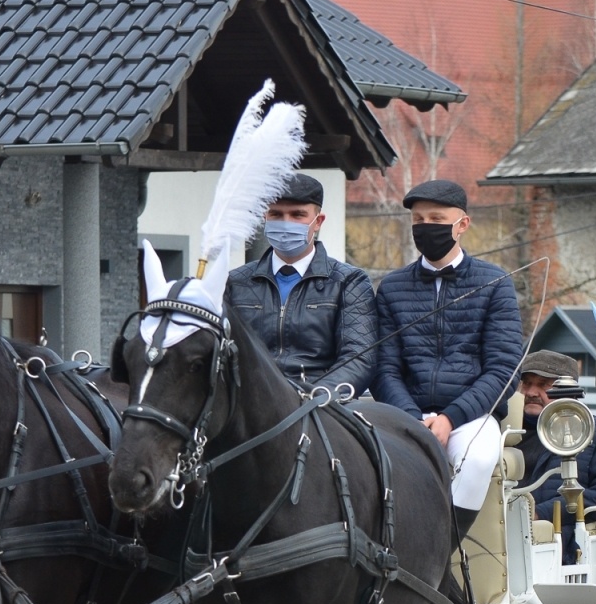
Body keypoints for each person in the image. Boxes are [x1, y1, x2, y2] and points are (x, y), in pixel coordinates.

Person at [373, 179, 524, 538]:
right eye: (418, 220)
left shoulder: (496, 282)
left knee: (478, 459)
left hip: (471, 416)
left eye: (437, 218)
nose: (426, 227)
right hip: (406, 412)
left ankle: (439, 549)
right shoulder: (392, 287)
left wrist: (449, 419)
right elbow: (384, 368)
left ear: (462, 224)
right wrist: (412, 419)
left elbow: (504, 369)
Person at [224, 173, 377, 393]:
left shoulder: (348, 282)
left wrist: (313, 397)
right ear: (264, 218)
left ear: (318, 221)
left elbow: (360, 356)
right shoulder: (236, 282)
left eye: (298, 215)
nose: (286, 223)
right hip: (250, 406)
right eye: (276, 214)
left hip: (320, 408)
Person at [515, 351, 596, 562]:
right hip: (501, 534)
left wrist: (539, 513)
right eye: (526, 383)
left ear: (569, 392)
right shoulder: (501, 431)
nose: (531, 392)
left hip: (563, 549)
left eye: (543, 385)